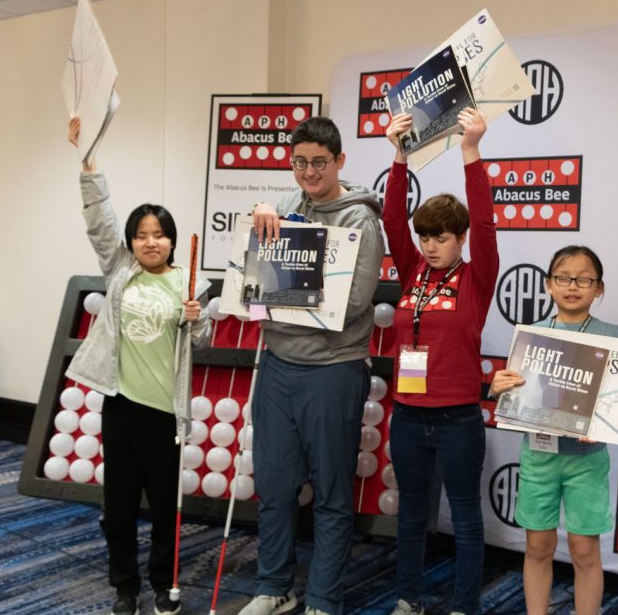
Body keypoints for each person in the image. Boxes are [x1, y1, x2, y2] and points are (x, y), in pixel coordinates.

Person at [64, 117, 212, 615]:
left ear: (172, 240)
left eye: (160, 235)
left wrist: (196, 319)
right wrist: (89, 165)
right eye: (142, 235)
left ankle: (162, 586)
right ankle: (125, 588)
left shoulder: (189, 283)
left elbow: (203, 337)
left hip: (166, 416)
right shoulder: (121, 270)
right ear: (132, 242)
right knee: (120, 508)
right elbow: (99, 221)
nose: (151, 242)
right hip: (122, 405)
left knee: (166, 513)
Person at [238, 116, 384, 615]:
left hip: (333, 368)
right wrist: (261, 209)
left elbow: (358, 298)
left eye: (319, 162)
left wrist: (297, 281)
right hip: (279, 364)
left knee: (331, 491)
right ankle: (274, 587)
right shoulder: (285, 204)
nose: (308, 172)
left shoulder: (361, 219)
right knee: (275, 486)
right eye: (299, 162)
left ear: (339, 161)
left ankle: (323, 599)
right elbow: (257, 260)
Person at [382, 109, 498, 615]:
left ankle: (463, 605)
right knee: (410, 515)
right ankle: (409, 598)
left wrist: (471, 151)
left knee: (467, 518)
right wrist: (400, 155)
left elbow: (485, 218)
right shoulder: (412, 272)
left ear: (461, 239)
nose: (430, 246)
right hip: (407, 415)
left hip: (457, 418)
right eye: (425, 236)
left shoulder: (477, 277)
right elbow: (391, 221)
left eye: (442, 237)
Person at [489, 245, 618, 615]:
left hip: (587, 460)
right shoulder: (531, 336)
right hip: (539, 455)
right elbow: (515, 397)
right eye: (563, 278)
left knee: (584, 550)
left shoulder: (613, 336)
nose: (572, 286)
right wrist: (499, 387)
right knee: (537, 547)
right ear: (548, 284)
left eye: (584, 279)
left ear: (598, 289)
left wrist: (609, 424)